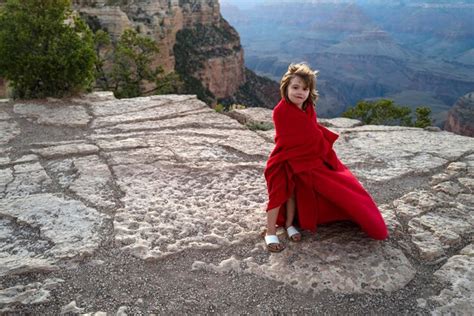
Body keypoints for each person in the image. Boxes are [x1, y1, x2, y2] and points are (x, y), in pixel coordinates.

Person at [263, 63, 388, 252]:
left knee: (295, 196)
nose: (300, 92)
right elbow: (291, 139)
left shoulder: (308, 108)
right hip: (285, 159)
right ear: (286, 88)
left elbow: (312, 134)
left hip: (310, 160)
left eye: (305, 89)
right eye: (295, 87)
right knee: (280, 193)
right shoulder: (280, 112)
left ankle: (289, 225)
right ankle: (269, 231)